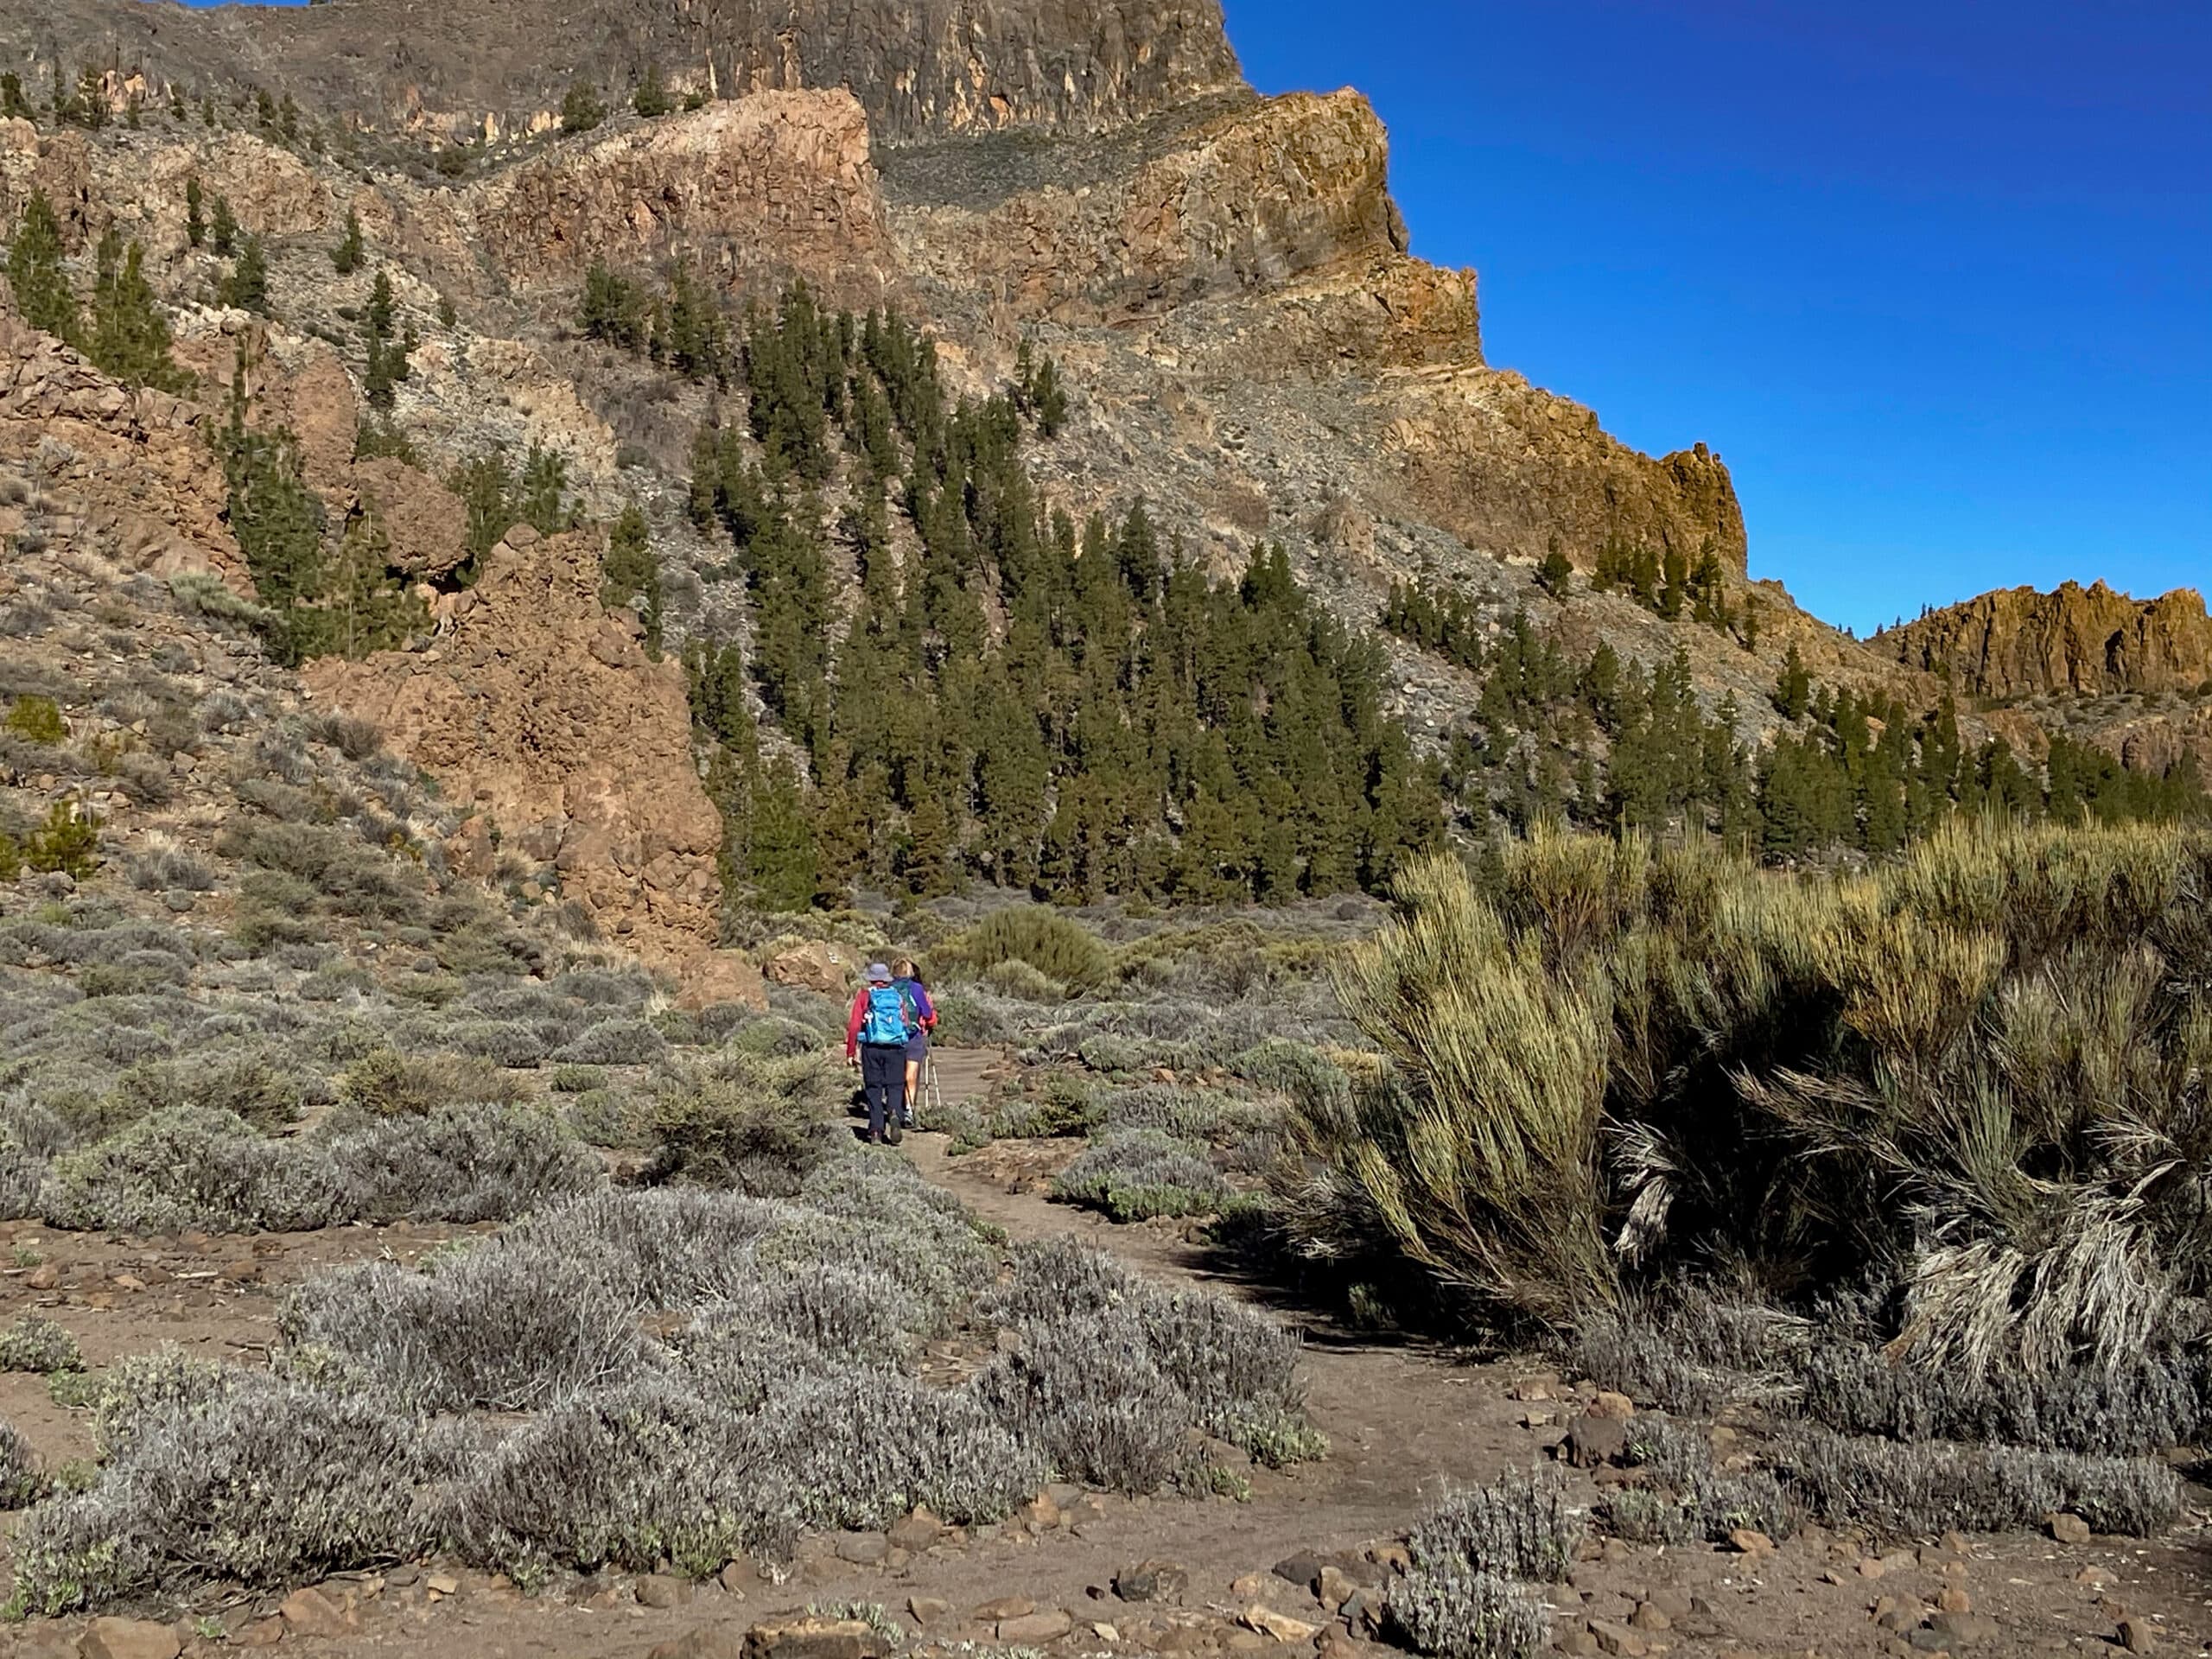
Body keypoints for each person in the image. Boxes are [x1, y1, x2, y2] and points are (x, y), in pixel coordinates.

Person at [844, 962, 918, 1144]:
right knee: (894, 1085)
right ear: (886, 979)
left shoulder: (864, 996)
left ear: (870, 978)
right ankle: (894, 1112)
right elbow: (906, 1023)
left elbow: (854, 1026)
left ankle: (876, 1131)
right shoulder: (897, 996)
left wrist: (851, 1051)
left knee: (873, 1088)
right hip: (895, 1048)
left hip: (872, 1047)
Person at [892, 957, 937, 1129]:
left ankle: (895, 1109)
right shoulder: (917, 989)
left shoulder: (888, 988)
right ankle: (909, 1111)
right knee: (911, 1075)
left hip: (893, 1038)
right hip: (913, 1036)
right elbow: (926, 1012)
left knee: (896, 1075)